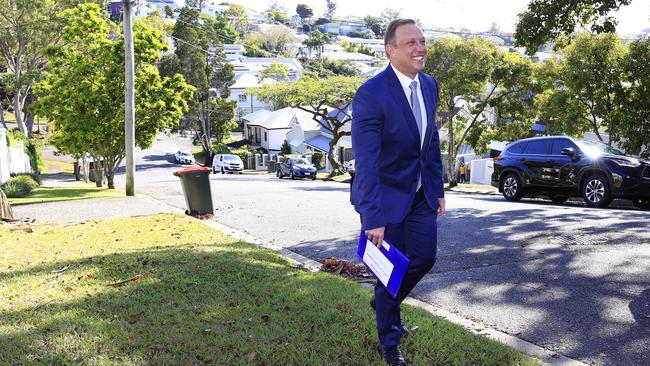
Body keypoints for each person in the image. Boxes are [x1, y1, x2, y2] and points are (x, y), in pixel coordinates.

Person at [351, 19, 445, 366]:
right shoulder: (371, 94)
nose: (420, 48)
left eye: (422, 40)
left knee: (424, 259)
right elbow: (367, 163)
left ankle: (384, 302)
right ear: (390, 50)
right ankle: (389, 341)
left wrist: (437, 188)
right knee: (390, 270)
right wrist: (372, 218)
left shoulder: (430, 85)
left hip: (421, 194)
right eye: (411, 43)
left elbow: (430, 142)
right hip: (384, 198)